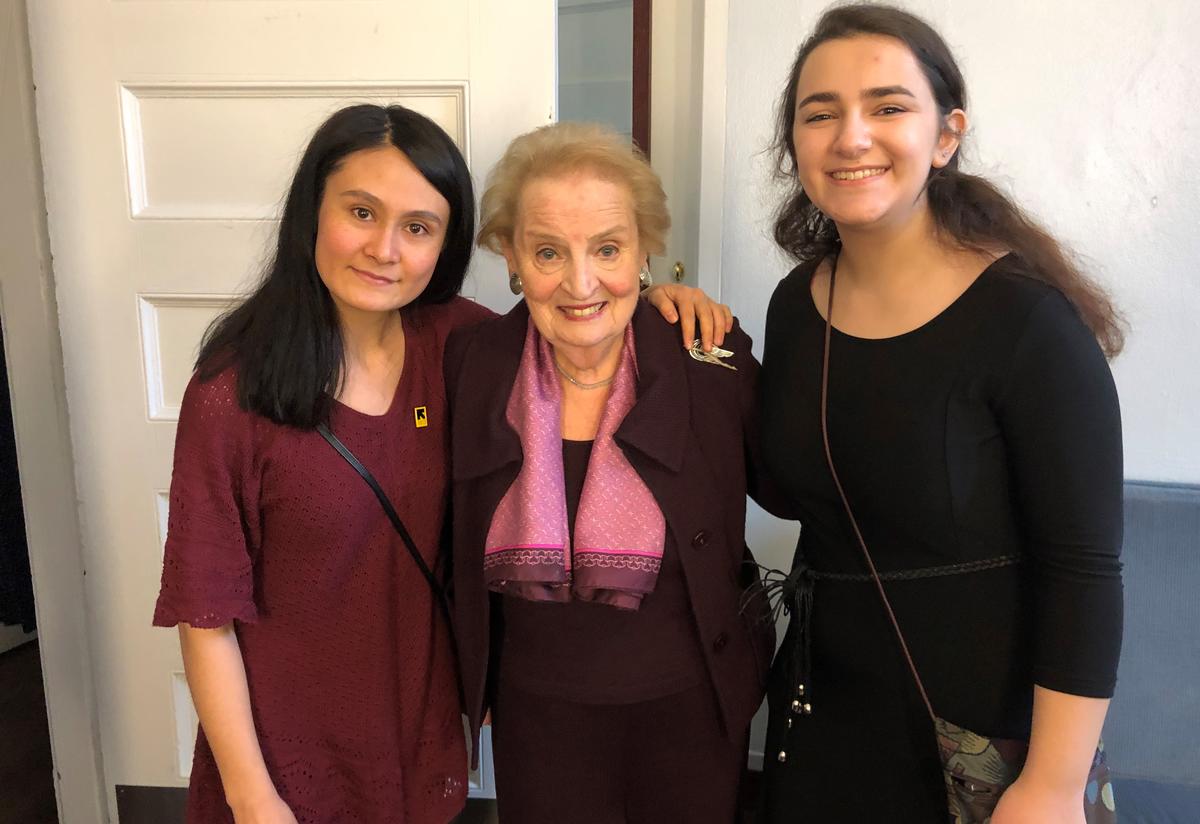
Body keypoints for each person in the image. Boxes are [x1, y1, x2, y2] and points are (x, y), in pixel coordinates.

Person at [151, 103, 726, 824]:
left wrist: (662, 302)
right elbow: (205, 614)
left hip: (420, 733)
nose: (385, 249)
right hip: (286, 750)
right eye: (361, 212)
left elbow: (583, 319)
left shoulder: (461, 347)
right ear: (311, 213)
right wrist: (252, 796)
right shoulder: (232, 393)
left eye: (417, 227)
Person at [757, 5, 1125, 823]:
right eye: (820, 114)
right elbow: (791, 490)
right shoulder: (795, 305)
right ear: (797, 145)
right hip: (822, 714)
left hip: (983, 741)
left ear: (946, 134)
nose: (852, 137)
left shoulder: (1027, 322)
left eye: (888, 107)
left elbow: (1085, 572)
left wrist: (1054, 787)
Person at [444, 121, 785, 824]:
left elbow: (789, 488)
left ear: (644, 249)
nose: (580, 282)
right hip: (537, 715)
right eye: (547, 251)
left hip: (693, 707)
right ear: (510, 253)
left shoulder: (707, 359)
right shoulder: (471, 365)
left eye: (607, 248)